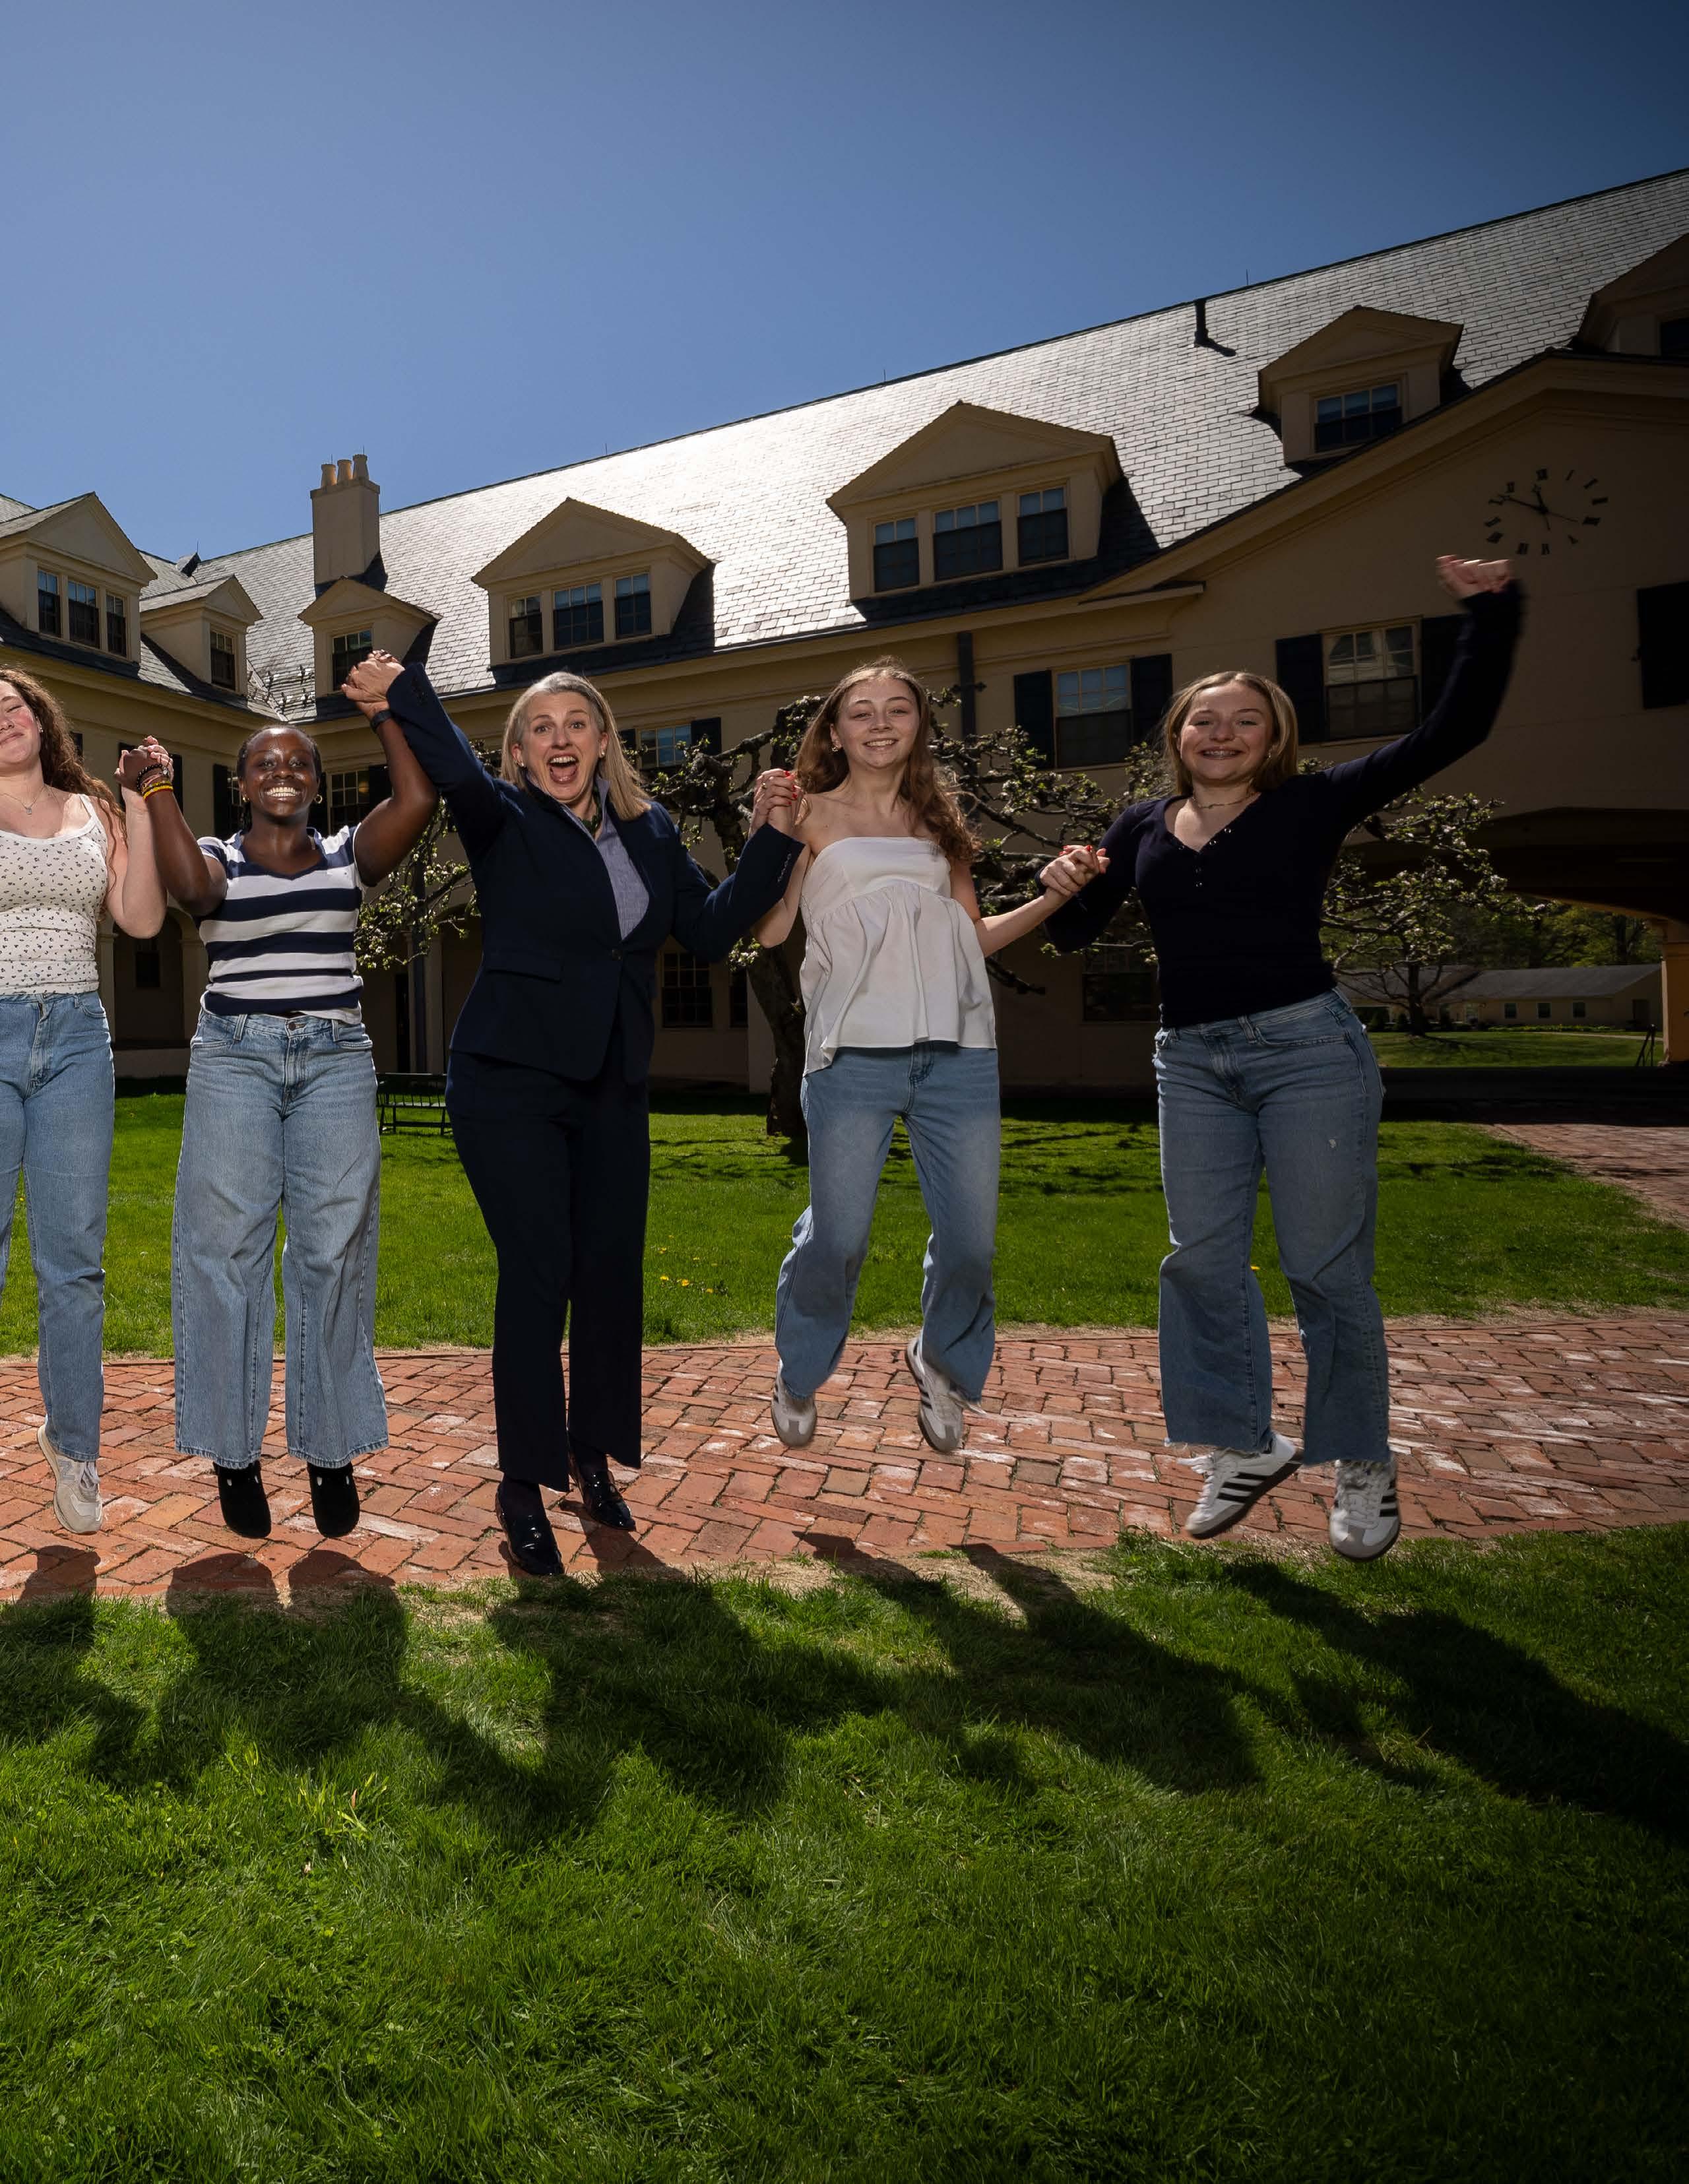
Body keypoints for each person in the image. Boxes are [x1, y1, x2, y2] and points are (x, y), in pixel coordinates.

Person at [1048, 556, 1522, 1560]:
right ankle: (1242, 1444)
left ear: (1275, 738)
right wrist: (1059, 882)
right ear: (1177, 736)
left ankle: (1359, 1459)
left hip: (1307, 1049)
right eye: (1203, 720)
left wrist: (1491, 615)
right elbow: (1075, 931)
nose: (1220, 734)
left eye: (1244, 721)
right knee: (1201, 1258)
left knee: (1324, 1265)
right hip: (1190, 1060)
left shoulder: (1314, 802)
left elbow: (1454, 732)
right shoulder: (1139, 824)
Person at [340, 649, 804, 1576]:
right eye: (540, 729)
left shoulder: (651, 829)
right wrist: (402, 692)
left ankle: (590, 1455)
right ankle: (522, 1482)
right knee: (539, 1268)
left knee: (607, 1273)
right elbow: (450, 765)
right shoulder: (499, 815)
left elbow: (709, 930)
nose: (560, 740)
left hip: (613, 1083)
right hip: (509, 1078)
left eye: (576, 724)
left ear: (603, 741)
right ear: (518, 752)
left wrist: (772, 838)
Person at [754, 657, 1100, 1455]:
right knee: (838, 1238)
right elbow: (771, 931)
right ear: (834, 733)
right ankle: (799, 1371)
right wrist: (768, 833)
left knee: (972, 1244)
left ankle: (940, 1362)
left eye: (897, 708)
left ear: (919, 725)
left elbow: (972, 937)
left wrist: (1053, 896)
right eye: (861, 710)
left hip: (958, 1053)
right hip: (850, 1057)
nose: (880, 723)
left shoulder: (941, 824)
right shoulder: (805, 815)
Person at [147, 708, 437, 1540]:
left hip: (336, 1060)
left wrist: (386, 716)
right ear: (241, 784)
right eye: (264, 764)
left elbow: (417, 800)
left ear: (318, 781)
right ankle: (232, 1452)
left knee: (332, 1253)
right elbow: (191, 892)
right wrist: (158, 786)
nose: (282, 773)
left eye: (298, 763)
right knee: (225, 1252)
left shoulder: (348, 854)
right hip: (235, 1058)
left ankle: (330, 1447)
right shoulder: (217, 855)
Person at [0, 670, 169, 1534]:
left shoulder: (97, 811)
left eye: (14, 704)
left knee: (73, 1261)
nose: (3, 717)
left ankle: (74, 1449)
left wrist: (139, 804)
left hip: (75, 1041)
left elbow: (141, 921)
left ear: (42, 720)